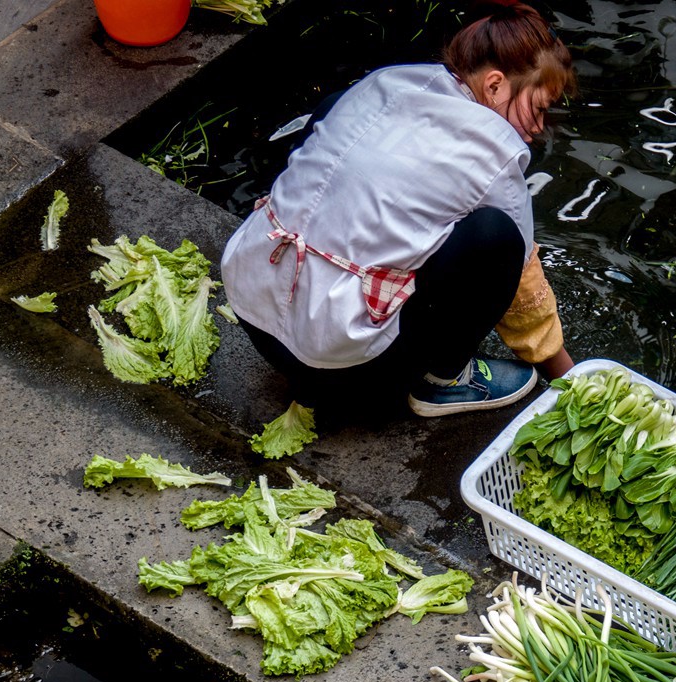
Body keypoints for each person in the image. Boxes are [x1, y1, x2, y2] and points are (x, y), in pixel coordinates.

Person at [220, 0, 577, 420]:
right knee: (495, 236)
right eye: (537, 108)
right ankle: (447, 384)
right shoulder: (495, 150)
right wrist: (570, 378)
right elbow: (520, 281)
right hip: (339, 370)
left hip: (252, 313)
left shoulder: (385, 82)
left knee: (333, 108)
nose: (537, 127)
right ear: (495, 85)